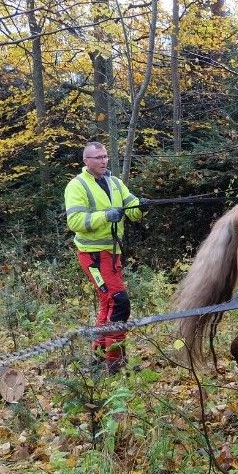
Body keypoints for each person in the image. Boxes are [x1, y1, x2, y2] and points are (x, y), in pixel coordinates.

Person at [64, 141, 146, 373]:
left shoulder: (115, 183)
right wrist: (105, 216)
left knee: (108, 302)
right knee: (119, 302)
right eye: (98, 157)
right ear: (86, 161)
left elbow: (132, 208)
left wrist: (142, 206)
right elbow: (75, 222)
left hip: (112, 254)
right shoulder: (76, 186)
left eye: (105, 157)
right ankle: (115, 362)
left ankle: (99, 357)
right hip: (93, 256)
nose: (103, 161)